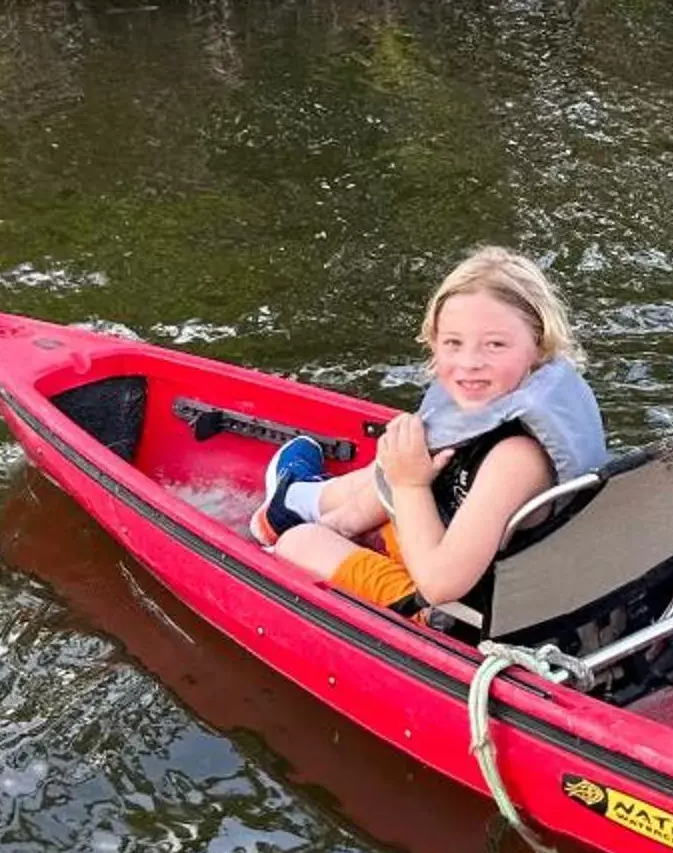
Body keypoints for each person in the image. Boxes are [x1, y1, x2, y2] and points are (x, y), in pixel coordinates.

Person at [253, 247, 606, 619]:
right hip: (455, 545)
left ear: (539, 346)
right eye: (454, 343)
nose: (470, 363)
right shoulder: (506, 405)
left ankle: (296, 516)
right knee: (397, 464)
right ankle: (296, 503)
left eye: (496, 345)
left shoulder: (517, 459)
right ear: (434, 342)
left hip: (452, 613)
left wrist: (410, 485)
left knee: (300, 542)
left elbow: (440, 584)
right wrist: (350, 518)